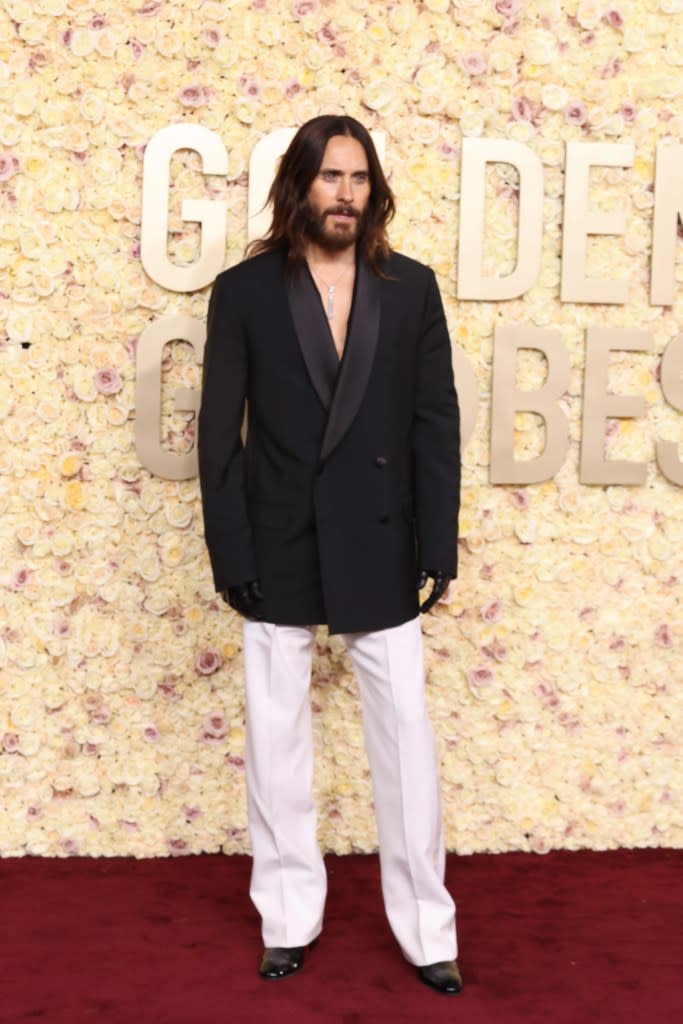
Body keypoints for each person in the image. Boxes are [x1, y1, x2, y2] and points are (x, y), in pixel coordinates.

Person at [197, 115, 462, 995]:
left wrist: (439, 542)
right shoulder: (242, 292)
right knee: (276, 742)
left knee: (406, 742)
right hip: (275, 538)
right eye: (328, 176)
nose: (344, 192)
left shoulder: (413, 289)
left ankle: (428, 931)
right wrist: (229, 547)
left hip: (383, 535)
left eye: (357, 177)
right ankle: (286, 919)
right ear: (298, 185)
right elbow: (217, 438)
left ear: (372, 188)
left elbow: (434, 426)